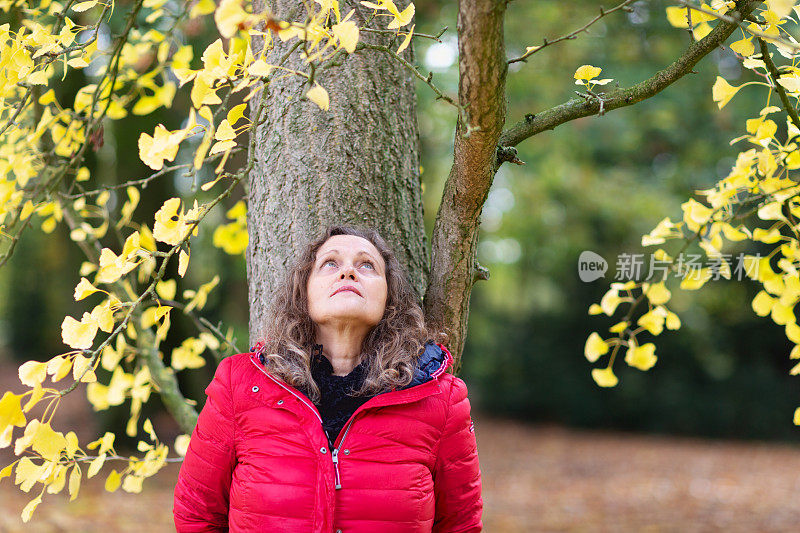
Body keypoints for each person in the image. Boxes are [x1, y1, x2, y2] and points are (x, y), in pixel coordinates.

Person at [173, 225, 483, 532]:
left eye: (367, 265)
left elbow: (461, 525)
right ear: (303, 292)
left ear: (390, 297)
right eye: (330, 263)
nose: (348, 272)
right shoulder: (238, 384)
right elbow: (196, 513)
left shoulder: (440, 398)